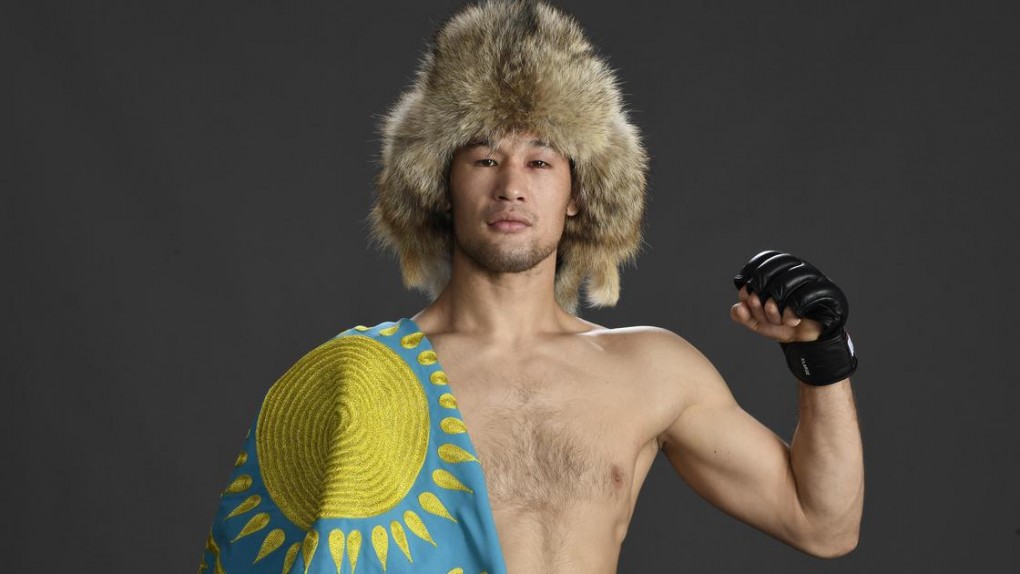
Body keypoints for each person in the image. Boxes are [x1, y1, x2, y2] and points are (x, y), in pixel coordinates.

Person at [199, 1, 863, 573]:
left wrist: (821, 359)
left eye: (541, 160)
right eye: (485, 157)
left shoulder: (652, 371)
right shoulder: (361, 380)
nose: (511, 184)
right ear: (441, 185)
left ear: (577, 194)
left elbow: (822, 524)